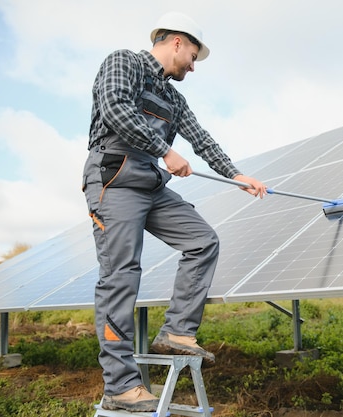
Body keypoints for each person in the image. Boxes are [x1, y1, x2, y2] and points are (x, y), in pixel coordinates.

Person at [82, 11, 267, 412]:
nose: (194, 67)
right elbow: (116, 108)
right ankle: (120, 386)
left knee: (203, 241)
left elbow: (201, 138)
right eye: (193, 57)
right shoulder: (123, 62)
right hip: (114, 177)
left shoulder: (173, 98)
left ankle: (177, 332)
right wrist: (164, 150)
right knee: (121, 274)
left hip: (149, 183)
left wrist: (237, 175)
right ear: (177, 42)